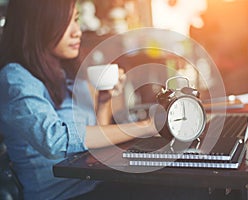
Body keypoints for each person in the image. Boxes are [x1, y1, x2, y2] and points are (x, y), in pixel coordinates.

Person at [0, 0, 155, 199]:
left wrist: (104, 101)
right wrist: (146, 127)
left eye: (76, 20)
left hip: (95, 185)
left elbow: (91, 145)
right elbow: (56, 140)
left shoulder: (65, 71)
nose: (77, 31)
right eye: (65, 23)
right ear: (36, 26)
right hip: (62, 195)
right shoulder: (15, 78)